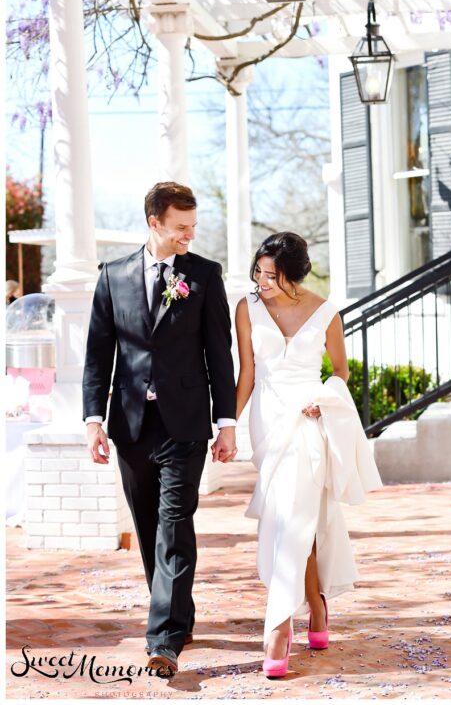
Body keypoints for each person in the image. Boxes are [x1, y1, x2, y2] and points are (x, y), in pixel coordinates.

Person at [82, 182, 237, 677]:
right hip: (129, 425)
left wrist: (226, 421)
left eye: (194, 227)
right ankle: (175, 613)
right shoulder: (113, 276)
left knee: (174, 524)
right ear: (155, 223)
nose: (190, 235)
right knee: (148, 527)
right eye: (181, 228)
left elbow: (219, 353)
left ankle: (164, 641)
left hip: (185, 425)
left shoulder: (205, 276)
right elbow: (98, 354)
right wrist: (93, 421)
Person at [233, 232, 382, 678]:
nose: (262, 282)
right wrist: (221, 426)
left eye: (272, 276)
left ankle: (279, 624)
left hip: (307, 417)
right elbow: (247, 373)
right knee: (296, 517)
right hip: (266, 420)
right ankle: (316, 605)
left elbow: (340, 372)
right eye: (258, 273)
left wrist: (324, 397)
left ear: (295, 274)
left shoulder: (326, 312)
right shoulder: (246, 308)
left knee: (293, 518)